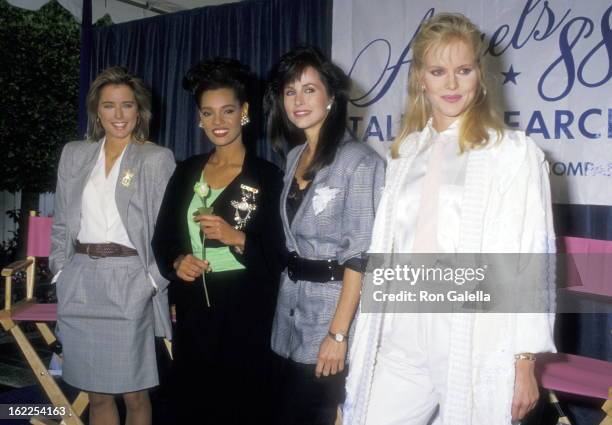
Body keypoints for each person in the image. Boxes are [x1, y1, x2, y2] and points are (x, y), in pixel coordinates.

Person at [343, 13, 556, 425]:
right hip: (400, 326)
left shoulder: (512, 154)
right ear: (421, 78)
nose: (452, 84)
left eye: (464, 70)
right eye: (439, 71)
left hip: (473, 333)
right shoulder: (404, 153)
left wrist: (525, 362)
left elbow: (530, 259)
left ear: (481, 74)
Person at [151, 57, 285, 425]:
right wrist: (178, 262)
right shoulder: (186, 171)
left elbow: (279, 256)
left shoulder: (268, 177)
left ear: (244, 111)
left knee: (242, 406)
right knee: (193, 404)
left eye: (227, 111)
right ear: (198, 117)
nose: (218, 123)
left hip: (247, 309)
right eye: (208, 114)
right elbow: (163, 237)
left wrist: (236, 237)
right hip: (194, 308)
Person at [265, 46, 385, 425]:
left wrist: (337, 334)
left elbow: (360, 256)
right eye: (289, 91)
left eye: (309, 90)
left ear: (332, 97)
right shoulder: (293, 155)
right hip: (289, 314)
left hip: (332, 318)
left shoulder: (361, 162)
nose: (298, 100)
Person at [49, 66, 175, 425]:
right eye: (109, 106)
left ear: (140, 111)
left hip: (130, 280)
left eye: (127, 105)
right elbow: (61, 221)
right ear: (96, 110)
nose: (118, 115)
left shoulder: (155, 158)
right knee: (97, 394)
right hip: (80, 280)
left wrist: (151, 282)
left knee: (135, 393)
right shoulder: (74, 154)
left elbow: (170, 232)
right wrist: (61, 271)